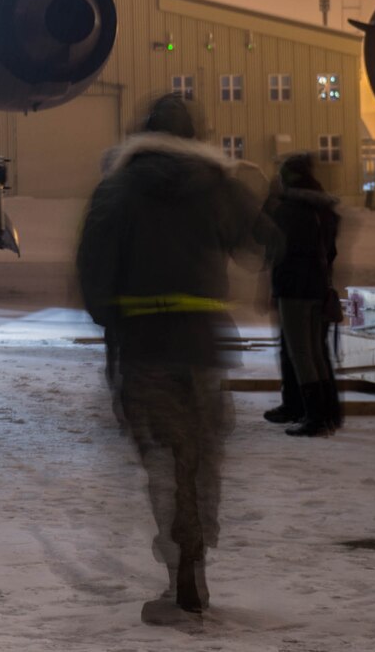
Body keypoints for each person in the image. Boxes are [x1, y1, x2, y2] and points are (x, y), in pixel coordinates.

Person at [76, 94, 279, 624]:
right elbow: (265, 241)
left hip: (144, 345)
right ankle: (196, 563)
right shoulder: (217, 186)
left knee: (163, 462)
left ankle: (177, 574)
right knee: (199, 458)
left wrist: (112, 318)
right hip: (202, 345)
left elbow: (93, 270)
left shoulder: (117, 188)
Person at [263, 152, 344, 437]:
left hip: (294, 289)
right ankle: (325, 414)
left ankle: (314, 418)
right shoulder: (324, 210)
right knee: (316, 353)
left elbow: (271, 245)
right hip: (318, 287)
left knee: (301, 354)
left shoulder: (287, 211)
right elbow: (330, 252)